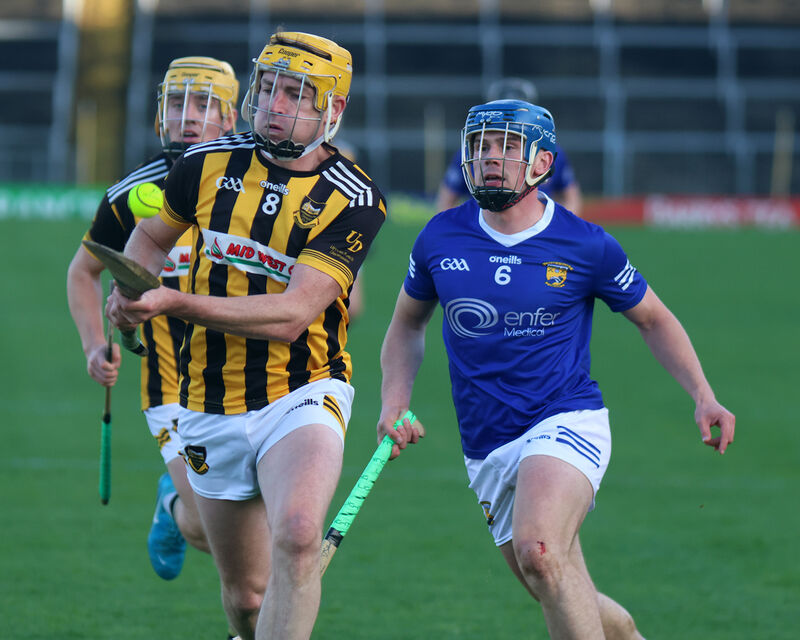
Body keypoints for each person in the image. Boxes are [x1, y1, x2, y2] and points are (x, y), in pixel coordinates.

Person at [378, 99, 735, 639]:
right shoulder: (439, 238)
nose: (489, 158)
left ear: (542, 163)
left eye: (505, 146)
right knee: (557, 580)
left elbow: (654, 320)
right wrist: (393, 402)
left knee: (540, 552)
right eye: (479, 146)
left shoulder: (585, 243)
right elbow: (407, 325)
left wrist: (703, 394)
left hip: (565, 418)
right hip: (486, 446)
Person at [105, 31, 386, 640]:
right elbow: (152, 238)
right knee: (249, 595)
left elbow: (292, 315)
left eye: (297, 94)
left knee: (299, 533)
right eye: (268, 88)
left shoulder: (355, 198)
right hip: (207, 398)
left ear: (332, 111)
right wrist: (130, 291)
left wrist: (171, 300)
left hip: (304, 388)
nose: (275, 104)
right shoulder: (204, 165)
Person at [67, 55, 240, 633]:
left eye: (204, 105)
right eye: (176, 103)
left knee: (260, 543)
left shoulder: (254, 190)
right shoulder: (131, 195)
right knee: (206, 529)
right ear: (158, 112)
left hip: (255, 384)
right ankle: (174, 504)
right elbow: (82, 273)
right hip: (171, 390)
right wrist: (96, 345)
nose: (187, 117)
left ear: (231, 116)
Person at [434, 77, 582, 215]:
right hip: (482, 225)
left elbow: (571, 198)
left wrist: (554, 226)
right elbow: (446, 199)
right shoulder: (469, 152)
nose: (491, 157)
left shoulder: (549, 152)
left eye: (509, 147)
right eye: (483, 148)